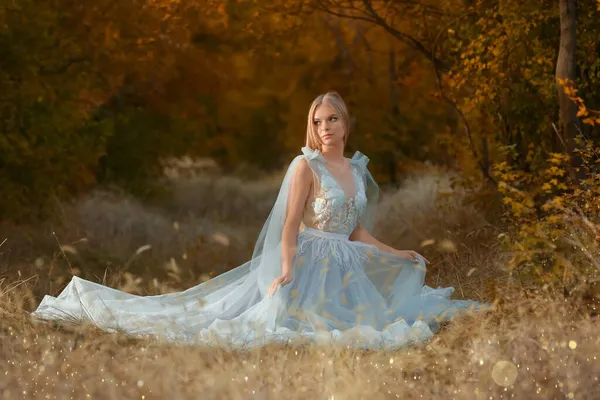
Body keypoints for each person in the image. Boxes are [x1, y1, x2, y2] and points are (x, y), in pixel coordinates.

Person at [32, 92, 488, 350]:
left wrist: (393, 252)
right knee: (257, 322)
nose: (325, 127)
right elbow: (290, 225)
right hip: (309, 260)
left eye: (332, 119)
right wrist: (286, 268)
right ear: (312, 127)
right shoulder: (306, 166)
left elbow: (355, 230)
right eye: (318, 120)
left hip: (346, 260)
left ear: (346, 123)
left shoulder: (359, 168)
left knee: (385, 317)